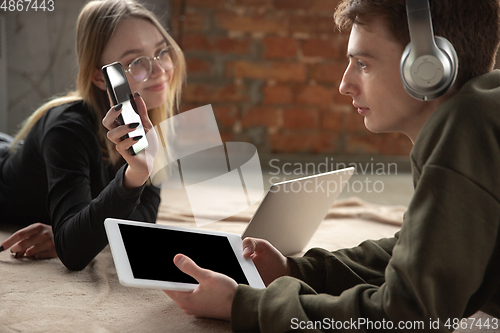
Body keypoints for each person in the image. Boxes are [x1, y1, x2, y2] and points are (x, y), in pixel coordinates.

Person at [165, 0, 500, 331]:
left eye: (364, 64)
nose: (345, 84)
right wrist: (298, 272)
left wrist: (243, 305)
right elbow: (421, 251)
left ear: (428, 68)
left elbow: (406, 317)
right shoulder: (484, 109)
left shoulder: (466, 125)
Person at [0, 0, 186, 271]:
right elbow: (74, 252)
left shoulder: (150, 124)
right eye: (136, 62)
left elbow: (144, 220)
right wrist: (81, 229)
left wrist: (85, 228)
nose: (160, 70)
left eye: (162, 52)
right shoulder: (67, 130)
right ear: (101, 78)